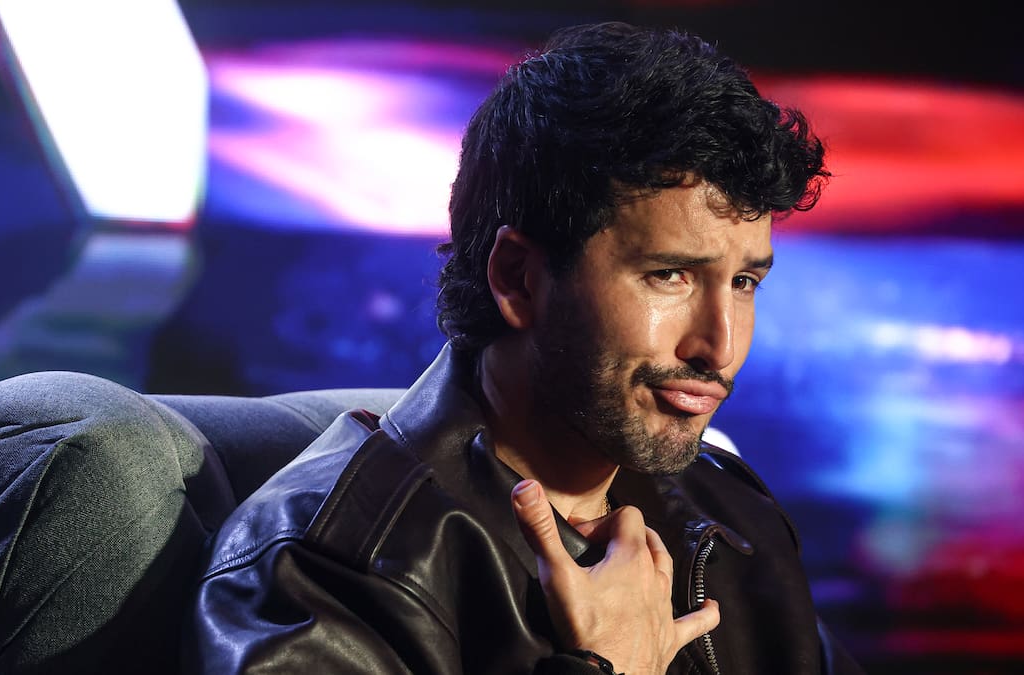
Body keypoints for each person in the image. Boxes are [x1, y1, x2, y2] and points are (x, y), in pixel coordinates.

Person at [186, 21, 863, 675]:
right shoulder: (325, 569)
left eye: (744, 282)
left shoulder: (731, 513)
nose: (720, 345)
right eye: (670, 275)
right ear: (518, 278)